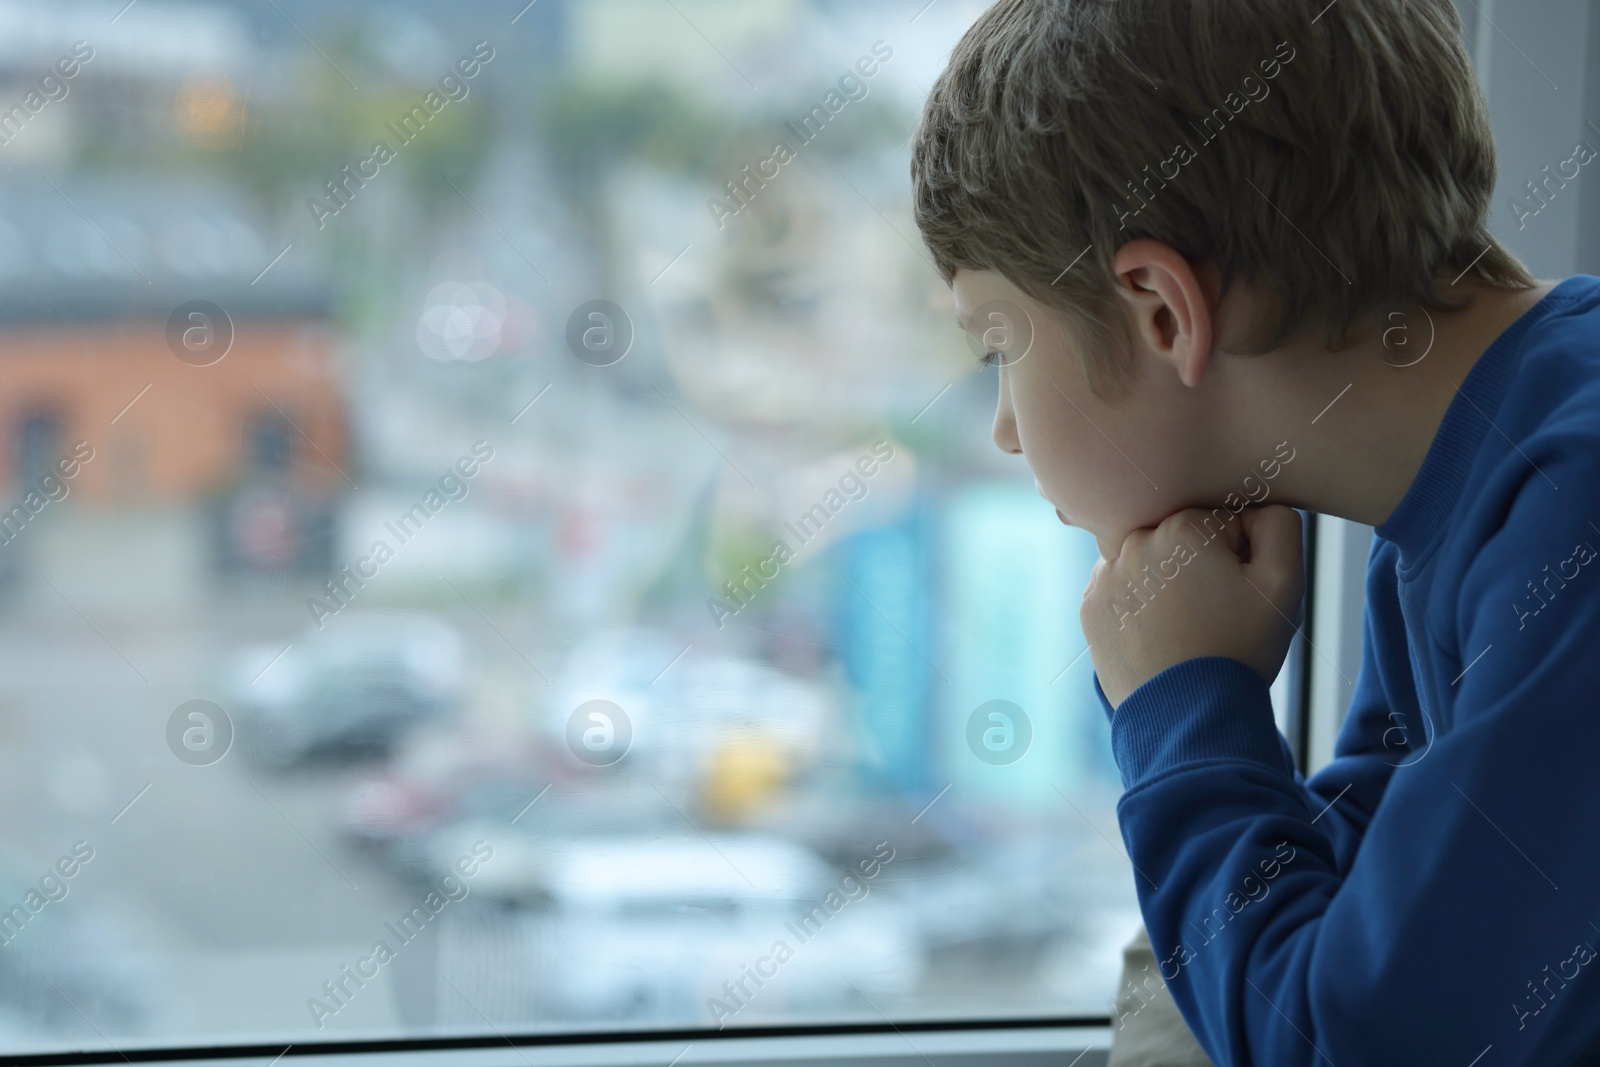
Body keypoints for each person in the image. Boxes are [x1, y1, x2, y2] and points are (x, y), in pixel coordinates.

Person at [911, 1, 1600, 1064]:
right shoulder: (1458, 500)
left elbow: (1353, 1042)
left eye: (998, 345)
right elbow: (1353, 921)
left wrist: (1180, 699)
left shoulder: (1571, 513)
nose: (1004, 429)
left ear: (1160, 312)